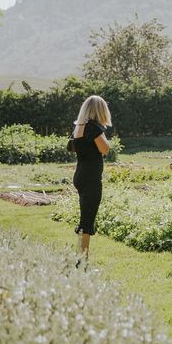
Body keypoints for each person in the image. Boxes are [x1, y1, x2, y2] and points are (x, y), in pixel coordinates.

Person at [71, 95, 112, 262]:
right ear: (100, 111)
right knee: (87, 219)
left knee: (85, 215)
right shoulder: (93, 128)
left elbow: (73, 148)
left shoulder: (77, 127)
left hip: (80, 174)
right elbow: (105, 149)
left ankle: (80, 256)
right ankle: (82, 260)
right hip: (91, 177)